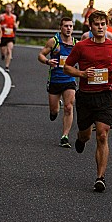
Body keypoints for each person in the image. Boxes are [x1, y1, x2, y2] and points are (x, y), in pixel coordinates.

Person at [63, 10, 112, 192]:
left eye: (103, 24)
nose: (100, 27)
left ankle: (100, 177)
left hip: (105, 96)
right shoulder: (81, 46)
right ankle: (80, 140)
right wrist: (81, 73)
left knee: (103, 134)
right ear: (90, 26)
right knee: (86, 135)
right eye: (96, 24)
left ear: (107, 26)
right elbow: (67, 67)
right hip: (86, 96)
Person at [38, 17, 77, 148]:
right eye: (66, 26)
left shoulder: (76, 44)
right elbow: (41, 55)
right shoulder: (54, 42)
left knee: (69, 107)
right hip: (55, 79)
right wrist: (48, 61)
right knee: (54, 111)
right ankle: (55, 109)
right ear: (61, 27)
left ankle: (65, 136)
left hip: (69, 79)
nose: (68, 28)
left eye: (71, 26)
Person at [0, 3, 18, 72]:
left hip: (10, 36)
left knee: (9, 50)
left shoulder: (14, 17)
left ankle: (7, 66)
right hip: (3, 36)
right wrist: (2, 26)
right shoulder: (2, 16)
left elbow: (15, 25)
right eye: (7, 7)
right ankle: (3, 55)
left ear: (11, 9)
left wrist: (15, 26)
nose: (8, 9)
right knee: (3, 52)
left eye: (9, 8)